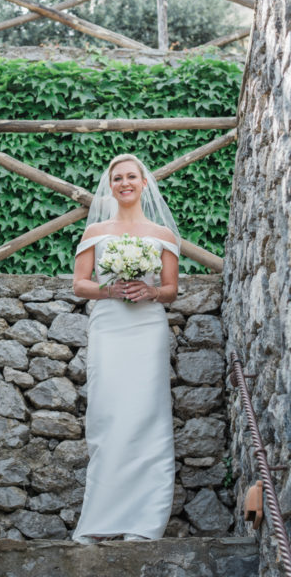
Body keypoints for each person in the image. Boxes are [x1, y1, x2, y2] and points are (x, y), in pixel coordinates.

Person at [71, 153, 180, 544]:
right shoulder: (96, 231)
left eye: (131, 177)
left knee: (148, 416)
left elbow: (170, 290)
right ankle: (100, 519)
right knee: (107, 414)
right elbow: (79, 284)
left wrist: (150, 291)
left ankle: (144, 523)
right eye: (117, 178)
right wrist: (109, 289)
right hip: (109, 327)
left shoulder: (163, 235)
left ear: (143, 182)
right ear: (110, 185)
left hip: (147, 329)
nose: (124, 183)